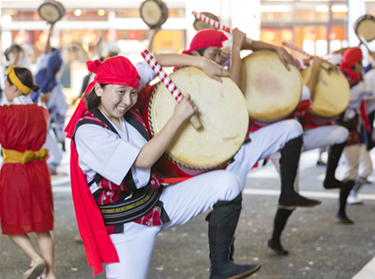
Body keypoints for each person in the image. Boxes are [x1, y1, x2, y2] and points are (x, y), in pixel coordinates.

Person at [65, 55, 261, 279]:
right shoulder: (88, 131)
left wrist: (201, 63)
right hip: (126, 224)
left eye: (133, 92)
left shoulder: (124, 93)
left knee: (228, 184)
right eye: (120, 92)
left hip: (156, 202)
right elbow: (144, 159)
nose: (128, 100)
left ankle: (221, 267)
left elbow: (153, 59)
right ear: (98, 89)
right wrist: (178, 117)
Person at [184, 28, 320, 208]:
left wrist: (275, 49)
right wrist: (236, 47)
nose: (218, 60)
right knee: (228, 206)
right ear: (195, 54)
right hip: (222, 153)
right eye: (213, 55)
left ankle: (288, 193)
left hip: (243, 143)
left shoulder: (211, 59)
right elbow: (234, 88)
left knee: (292, 129)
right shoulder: (190, 74)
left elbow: (249, 44)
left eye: (219, 54)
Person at [267, 56, 352, 255]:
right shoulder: (279, 82)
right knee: (291, 196)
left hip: (299, 137)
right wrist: (314, 65)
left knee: (341, 134)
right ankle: (275, 238)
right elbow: (308, 93)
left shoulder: (295, 73)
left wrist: (318, 63)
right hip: (281, 146)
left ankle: (329, 179)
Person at [0, 66, 55, 279]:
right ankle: (50, 275)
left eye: (5, 85)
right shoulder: (42, 111)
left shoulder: (4, 113)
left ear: (14, 88)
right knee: (43, 225)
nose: (4, 89)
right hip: (39, 170)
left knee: (13, 224)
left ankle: (36, 258)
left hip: (15, 170)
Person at [337, 48, 375, 205]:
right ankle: (343, 205)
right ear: (355, 65)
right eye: (360, 63)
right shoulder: (356, 85)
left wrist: (372, 63)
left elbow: (365, 78)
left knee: (362, 168)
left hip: (354, 130)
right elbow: (370, 84)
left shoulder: (343, 76)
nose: (362, 67)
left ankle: (347, 198)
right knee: (353, 169)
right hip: (347, 131)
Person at [34, 23, 69, 173]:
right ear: (59, 68)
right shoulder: (56, 88)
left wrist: (50, 29)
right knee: (56, 157)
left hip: (27, 122)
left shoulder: (38, 75)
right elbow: (63, 110)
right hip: (40, 126)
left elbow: (46, 52)